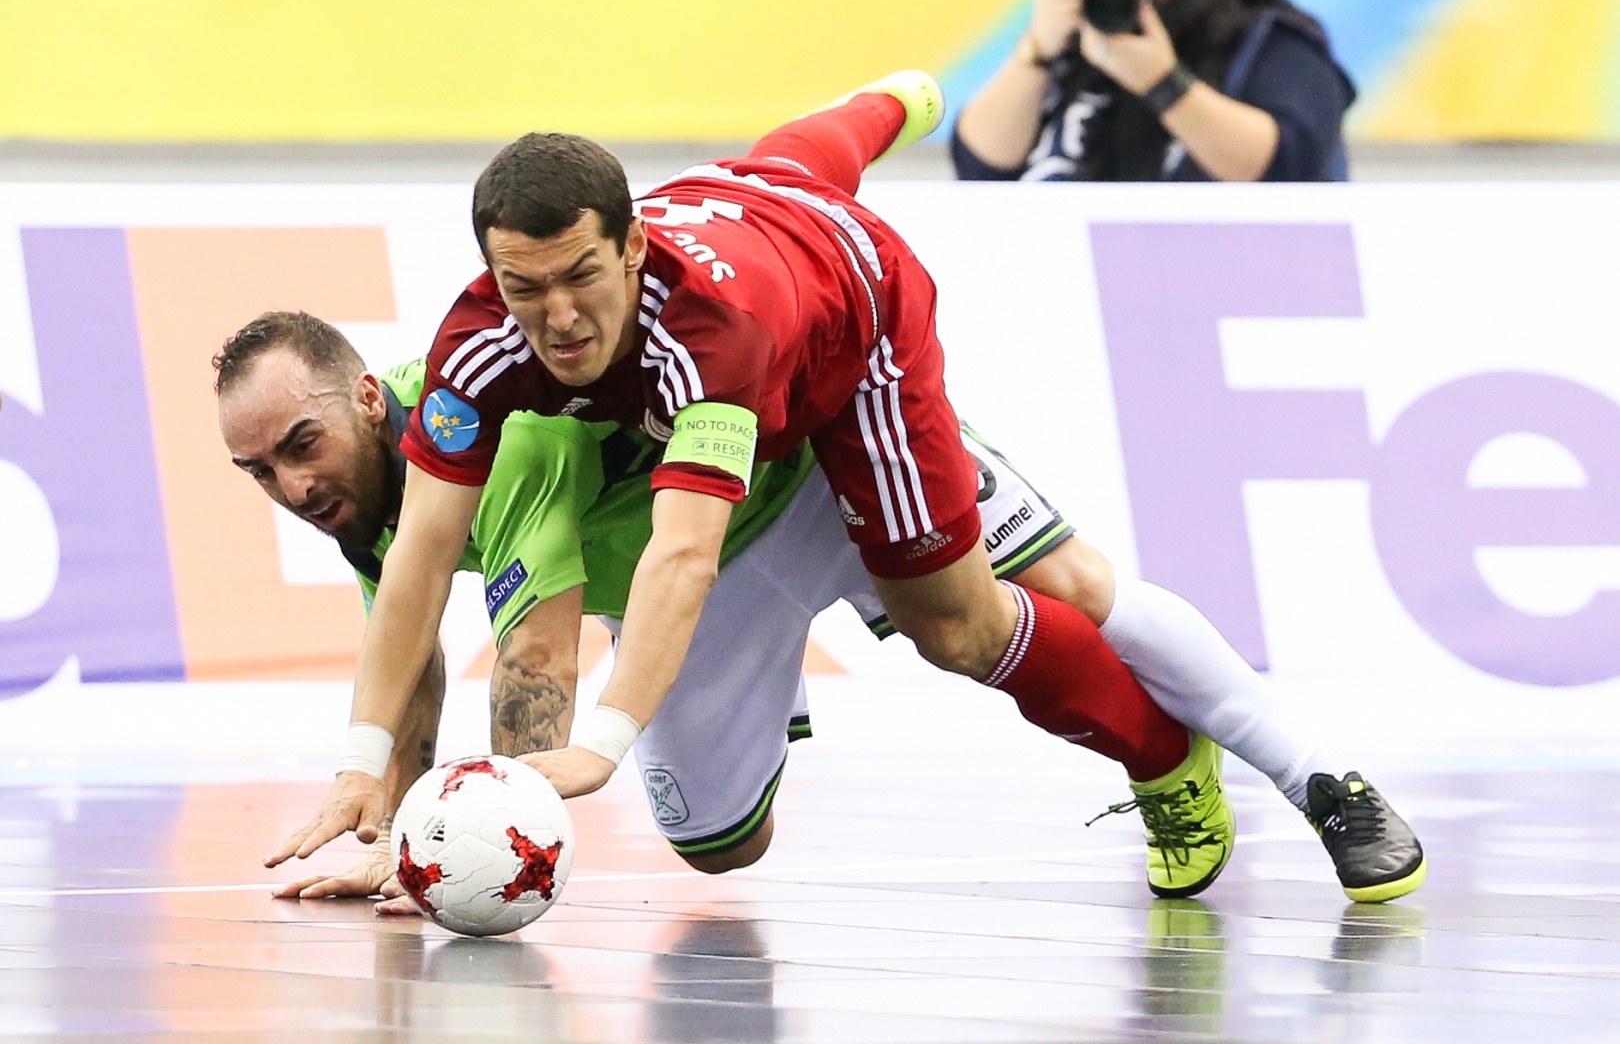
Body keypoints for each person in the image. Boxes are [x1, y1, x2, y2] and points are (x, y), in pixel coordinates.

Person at [261, 71, 1422, 903]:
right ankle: (897, 93)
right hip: (760, 240)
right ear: (490, 275)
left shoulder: (710, 335)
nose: (557, 319)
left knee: (977, 619)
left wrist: (604, 740)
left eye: (580, 278)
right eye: (525, 288)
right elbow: (416, 559)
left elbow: (682, 552)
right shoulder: (476, 349)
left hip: (850, 363)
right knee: (716, 848)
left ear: (633, 249)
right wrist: (361, 768)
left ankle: (1303, 778)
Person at [952, 0, 1354, 182]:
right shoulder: (1066, 39)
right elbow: (979, 164)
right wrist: (1036, 52)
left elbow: (1287, 164)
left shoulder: (1261, 36)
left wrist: (1164, 83)